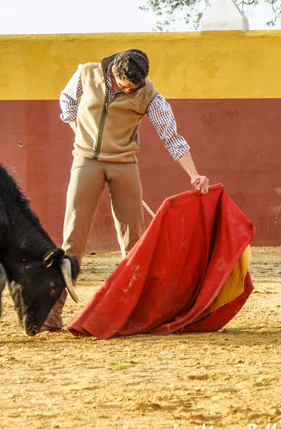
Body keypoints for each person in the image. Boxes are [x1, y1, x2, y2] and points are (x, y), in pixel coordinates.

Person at [42, 48, 209, 331]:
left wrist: (194, 174)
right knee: (73, 238)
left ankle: (132, 310)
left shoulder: (150, 96)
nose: (126, 89)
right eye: (122, 84)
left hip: (123, 164)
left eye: (132, 87)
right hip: (86, 161)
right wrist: (79, 132)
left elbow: (171, 136)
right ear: (112, 72)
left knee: (134, 241)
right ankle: (51, 311)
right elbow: (67, 102)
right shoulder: (86, 72)